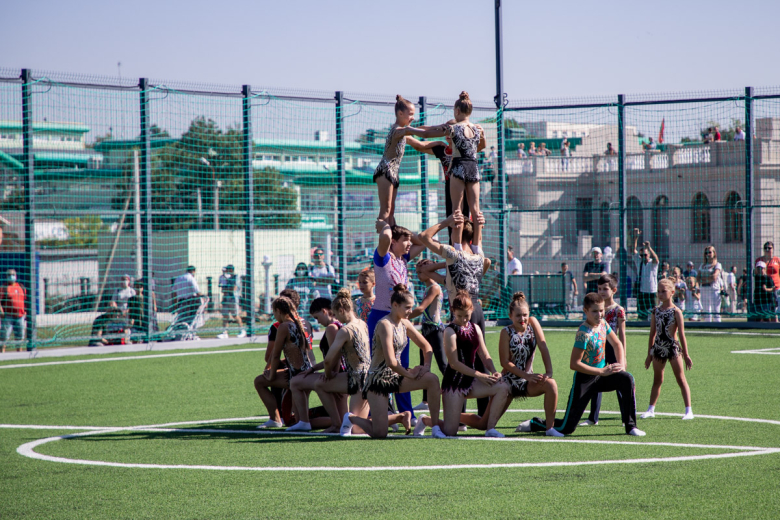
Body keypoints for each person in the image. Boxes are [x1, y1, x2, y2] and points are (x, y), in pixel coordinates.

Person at [519, 293, 645, 437]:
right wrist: (601, 372)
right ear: (585, 311)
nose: (599, 314)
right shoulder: (583, 333)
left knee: (627, 378)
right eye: (595, 311)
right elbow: (574, 364)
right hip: (585, 380)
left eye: (601, 310)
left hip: (602, 376)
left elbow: (617, 344)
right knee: (567, 428)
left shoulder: (603, 324)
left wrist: (621, 365)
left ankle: (631, 426)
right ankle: (536, 423)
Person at [417, 211, 491, 417]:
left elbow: (423, 237)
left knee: (459, 362)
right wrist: (479, 226)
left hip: (460, 312)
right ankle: (484, 414)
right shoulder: (478, 255)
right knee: (480, 360)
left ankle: (458, 414)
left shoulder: (453, 255)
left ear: (454, 234)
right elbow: (486, 261)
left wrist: (446, 222)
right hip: (476, 310)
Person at [346, 285, 444, 439]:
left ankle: (433, 425)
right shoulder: (385, 324)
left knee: (432, 379)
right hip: (378, 379)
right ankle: (351, 418)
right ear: (395, 305)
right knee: (380, 434)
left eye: (411, 307)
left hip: (397, 376)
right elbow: (391, 361)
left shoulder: (405, 322)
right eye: (407, 307)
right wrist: (410, 374)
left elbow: (427, 347)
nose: (411, 311)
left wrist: (426, 367)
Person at [415, 290, 510, 438]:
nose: (464, 319)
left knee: (503, 387)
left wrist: (494, 371)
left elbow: (484, 355)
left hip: (471, 381)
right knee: (450, 432)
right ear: (453, 311)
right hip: (454, 383)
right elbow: (454, 363)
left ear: (472, 310)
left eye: (467, 315)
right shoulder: (449, 331)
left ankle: (490, 428)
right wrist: (480, 375)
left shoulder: (475, 328)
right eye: (459, 316)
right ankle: (425, 420)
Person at [405, 92, 487, 251]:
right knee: (476, 211)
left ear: (457, 111)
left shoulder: (453, 128)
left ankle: (456, 247)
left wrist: (407, 130)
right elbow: (482, 145)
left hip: (458, 168)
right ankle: (477, 247)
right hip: (473, 168)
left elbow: (427, 132)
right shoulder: (477, 129)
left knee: (456, 211)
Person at [368, 219, 426, 419]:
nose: (409, 244)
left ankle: (406, 413)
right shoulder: (383, 258)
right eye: (405, 240)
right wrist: (385, 225)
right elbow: (385, 236)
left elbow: (423, 241)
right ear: (393, 241)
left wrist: (407, 234)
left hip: (400, 319)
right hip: (380, 317)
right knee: (377, 365)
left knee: (403, 364)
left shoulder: (404, 259)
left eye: (409, 240)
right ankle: (376, 412)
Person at [500, 292, 561, 437]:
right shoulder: (506, 332)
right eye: (518, 316)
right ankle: (455, 418)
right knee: (484, 423)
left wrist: (549, 372)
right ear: (510, 316)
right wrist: (526, 375)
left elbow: (543, 346)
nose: (522, 319)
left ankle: (549, 428)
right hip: (509, 381)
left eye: (525, 315)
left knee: (551, 384)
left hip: (527, 382)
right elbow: (504, 362)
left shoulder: (532, 322)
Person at [315, 288, 371, 436]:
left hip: (358, 379)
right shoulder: (362, 323)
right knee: (358, 428)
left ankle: (337, 423)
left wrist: (328, 375)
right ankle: (398, 417)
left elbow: (328, 360)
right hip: (368, 375)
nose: (336, 319)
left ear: (341, 310)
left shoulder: (345, 330)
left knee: (356, 430)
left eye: (336, 314)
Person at [254, 296, 315, 429]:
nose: (274, 316)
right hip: (307, 371)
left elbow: (275, 355)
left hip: (297, 375)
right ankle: (336, 422)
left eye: (274, 312)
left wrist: (271, 375)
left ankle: (275, 419)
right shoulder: (303, 323)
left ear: (278, 311)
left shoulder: (284, 326)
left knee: (259, 381)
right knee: (298, 420)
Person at [373, 95, 433, 226]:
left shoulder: (403, 135)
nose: (413, 117)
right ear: (400, 113)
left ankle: (392, 236)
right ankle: (383, 237)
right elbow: (421, 132)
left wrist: (441, 146)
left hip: (393, 173)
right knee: (386, 210)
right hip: (385, 171)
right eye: (410, 114)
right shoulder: (397, 131)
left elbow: (422, 145)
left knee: (391, 211)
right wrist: (444, 129)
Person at [286, 297, 344, 432]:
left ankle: (303, 421)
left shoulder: (332, 328)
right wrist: (313, 369)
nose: (317, 321)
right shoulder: (339, 325)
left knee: (295, 382)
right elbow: (333, 357)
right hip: (339, 373)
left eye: (317, 317)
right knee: (345, 422)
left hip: (337, 374)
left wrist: (331, 375)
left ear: (324, 311)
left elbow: (336, 356)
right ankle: (303, 421)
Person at [641, 279, 693, 420]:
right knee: (657, 379)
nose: (660, 294)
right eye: (658, 291)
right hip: (658, 348)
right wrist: (649, 354)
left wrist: (686, 354)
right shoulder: (655, 311)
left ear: (672, 292)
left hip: (673, 348)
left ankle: (688, 410)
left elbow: (681, 335)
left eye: (663, 291)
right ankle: (651, 409)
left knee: (680, 379)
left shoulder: (676, 311)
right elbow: (652, 333)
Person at [583, 274, 626, 426]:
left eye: (605, 289)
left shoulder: (618, 310)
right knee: (596, 379)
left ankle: (626, 417)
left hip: (613, 349)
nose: (601, 292)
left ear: (614, 290)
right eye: (599, 288)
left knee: (620, 380)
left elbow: (622, 335)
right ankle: (592, 418)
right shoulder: (595, 309)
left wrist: (623, 356)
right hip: (598, 349)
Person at [409, 258, 445, 412]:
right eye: (417, 272)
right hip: (427, 330)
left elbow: (421, 308)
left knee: (443, 364)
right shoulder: (428, 287)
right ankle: (425, 401)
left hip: (435, 330)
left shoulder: (434, 287)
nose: (418, 275)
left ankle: (455, 391)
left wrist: (402, 317)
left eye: (421, 272)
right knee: (424, 365)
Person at [632, 230, 659, 320]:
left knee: (654, 313)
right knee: (642, 313)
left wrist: (649, 248)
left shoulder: (652, 263)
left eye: (645, 255)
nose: (643, 257)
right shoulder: (639, 261)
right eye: (641, 255)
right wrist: (635, 238)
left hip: (652, 290)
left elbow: (656, 259)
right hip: (642, 290)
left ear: (649, 254)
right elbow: (633, 250)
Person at [0, 269, 26, 352]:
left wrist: (25, 311)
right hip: (8, 316)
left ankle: (19, 353)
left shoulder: (21, 287)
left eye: (13, 274)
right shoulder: (4, 288)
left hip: (20, 316)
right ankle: (2, 352)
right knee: (4, 336)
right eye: (9, 275)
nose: (11, 276)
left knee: (20, 337)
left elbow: (25, 300)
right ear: (6, 276)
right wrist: (1, 311)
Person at [217, 265, 246, 339]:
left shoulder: (236, 277)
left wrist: (227, 289)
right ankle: (225, 332)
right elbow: (223, 289)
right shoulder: (227, 278)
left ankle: (242, 330)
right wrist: (226, 289)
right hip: (226, 299)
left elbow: (233, 288)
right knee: (225, 316)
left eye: (227, 270)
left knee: (235, 315)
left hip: (233, 299)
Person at [698, 246, 723, 322]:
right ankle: (708, 325)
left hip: (714, 290)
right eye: (706, 253)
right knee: (706, 311)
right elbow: (698, 278)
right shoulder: (702, 265)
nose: (708, 254)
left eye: (709, 252)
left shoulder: (717, 265)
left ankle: (718, 326)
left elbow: (714, 277)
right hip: (703, 289)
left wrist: (703, 279)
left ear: (714, 253)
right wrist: (708, 279)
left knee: (715, 311)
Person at [755, 241, 780, 314]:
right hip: (764, 288)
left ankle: (777, 320)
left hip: (777, 286)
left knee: (777, 307)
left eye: (769, 248)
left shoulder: (777, 260)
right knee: (768, 309)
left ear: (773, 249)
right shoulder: (759, 260)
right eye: (765, 248)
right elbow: (756, 274)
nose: (767, 250)